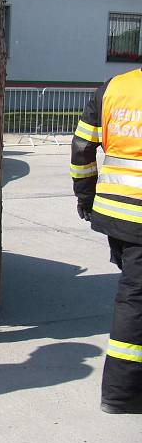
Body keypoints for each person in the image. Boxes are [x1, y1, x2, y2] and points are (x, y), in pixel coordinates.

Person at [71, 66, 142, 414]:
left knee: (134, 297)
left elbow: (82, 147)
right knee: (135, 302)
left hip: (117, 213)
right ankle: (122, 392)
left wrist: (85, 196)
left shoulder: (116, 86)